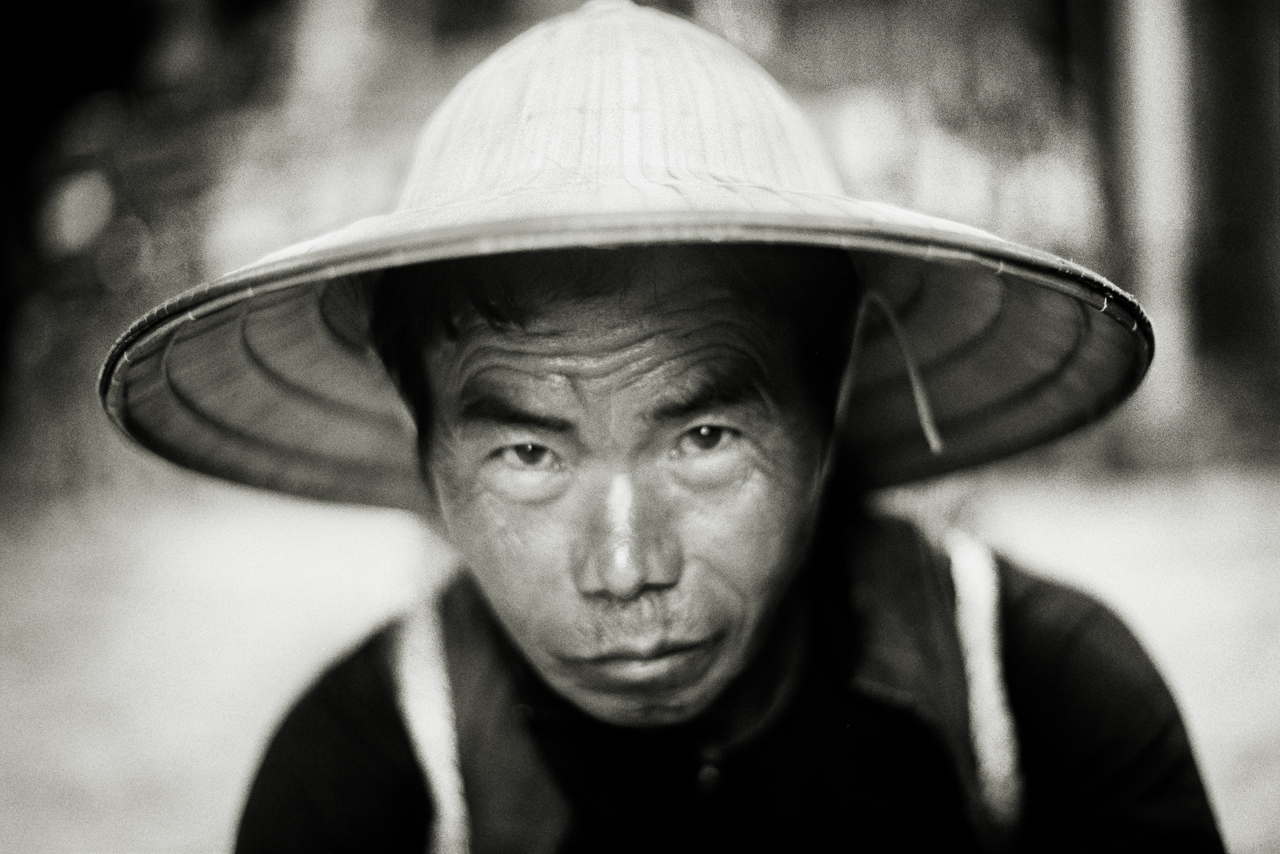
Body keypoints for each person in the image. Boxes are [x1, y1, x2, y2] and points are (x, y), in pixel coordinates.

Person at [99, 2, 1224, 852]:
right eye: (528, 452)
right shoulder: (365, 774)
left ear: (827, 411)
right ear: (427, 457)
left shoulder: (1038, 692)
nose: (626, 565)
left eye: (703, 439)